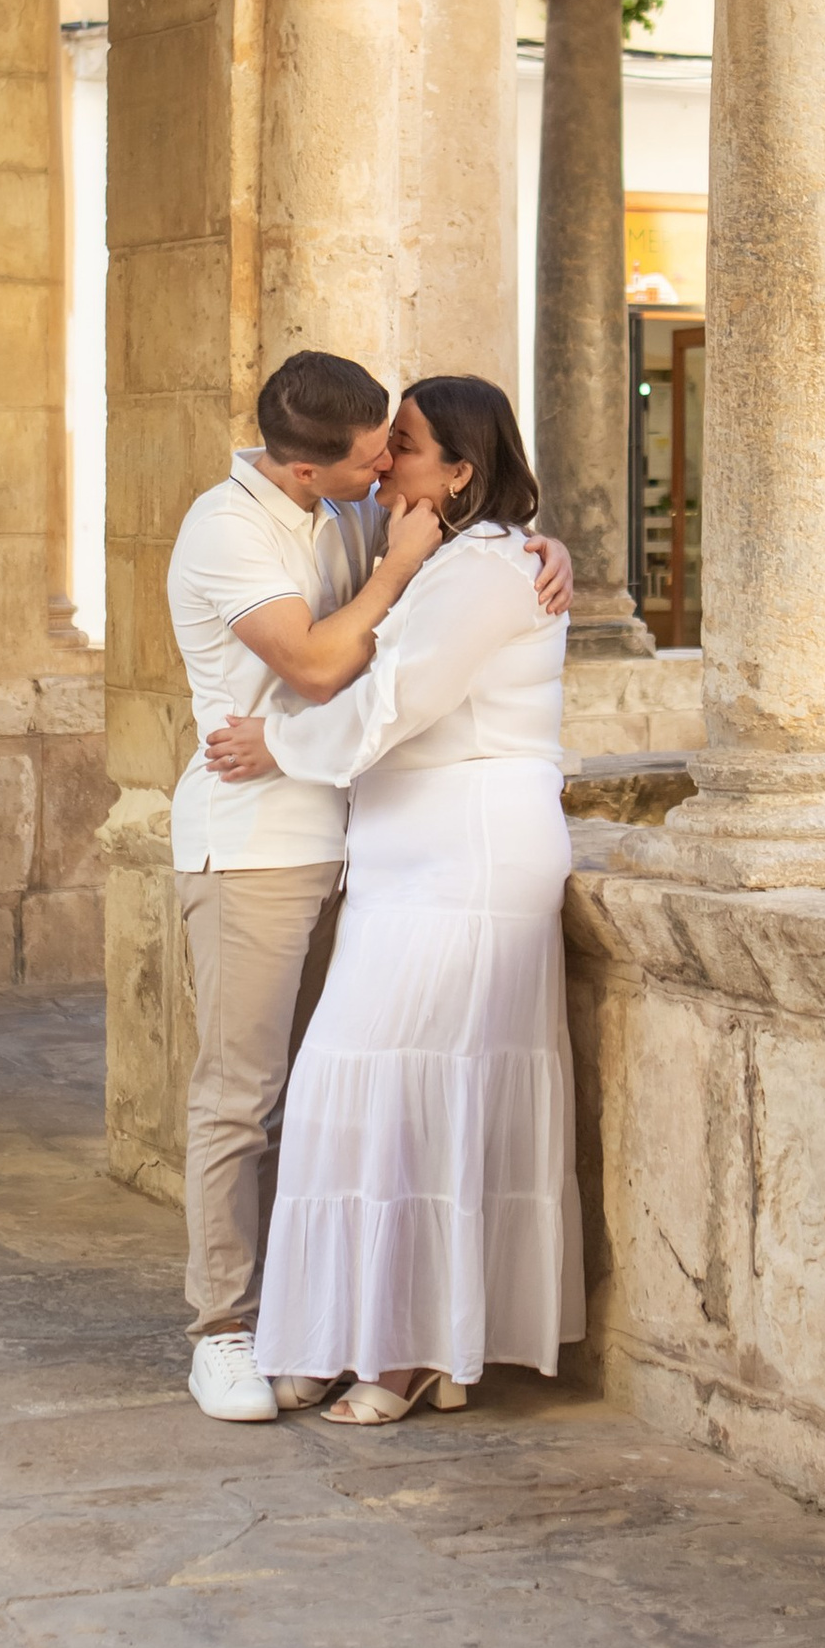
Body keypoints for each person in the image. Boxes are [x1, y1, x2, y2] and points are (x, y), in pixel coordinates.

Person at [165, 352, 571, 1425]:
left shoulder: (373, 519)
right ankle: (230, 1330)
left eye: (401, 447)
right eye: (372, 454)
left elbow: (428, 653)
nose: (384, 463)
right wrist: (423, 561)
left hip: (392, 848)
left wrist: (537, 541)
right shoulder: (237, 527)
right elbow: (315, 666)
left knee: (374, 1103)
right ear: (312, 470)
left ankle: (372, 1336)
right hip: (261, 839)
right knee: (259, 1098)